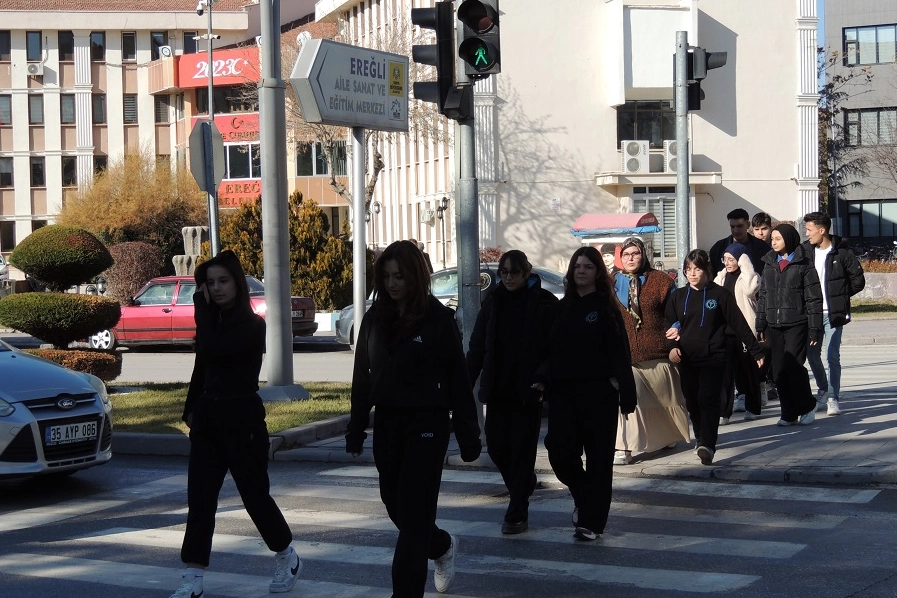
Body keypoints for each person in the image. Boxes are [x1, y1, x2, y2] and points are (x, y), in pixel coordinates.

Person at [346, 240, 482, 597]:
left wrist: (469, 435)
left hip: (427, 425)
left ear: (415, 277)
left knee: (414, 515)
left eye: (400, 277)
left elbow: (458, 380)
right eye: (387, 276)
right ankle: (441, 545)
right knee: (397, 507)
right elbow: (363, 377)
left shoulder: (438, 320)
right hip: (388, 424)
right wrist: (356, 427)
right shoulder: (374, 319)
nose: (392, 284)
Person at [171, 250, 301, 598]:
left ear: (237, 284)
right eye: (210, 283)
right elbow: (202, 368)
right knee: (201, 501)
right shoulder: (211, 323)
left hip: (243, 421)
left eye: (223, 281)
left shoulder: (252, 325)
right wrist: (191, 411)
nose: (216, 288)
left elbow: (215, 351)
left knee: (255, 498)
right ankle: (193, 577)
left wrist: (200, 310)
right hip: (208, 420)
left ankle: (286, 554)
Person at [536, 246, 637, 541]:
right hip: (564, 393)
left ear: (597, 273)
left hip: (599, 394)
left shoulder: (607, 309)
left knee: (599, 461)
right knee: (559, 452)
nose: (581, 271)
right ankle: (583, 496)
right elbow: (550, 352)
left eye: (588, 267)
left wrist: (627, 393)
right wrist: (541, 378)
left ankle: (592, 522)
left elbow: (620, 353)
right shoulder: (561, 308)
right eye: (577, 266)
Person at [467, 249, 558, 534]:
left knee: (521, 451)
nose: (508, 278)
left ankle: (517, 510)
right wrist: (465, 382)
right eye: (503, 272)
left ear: (526, 273)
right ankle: (524, 484)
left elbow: (557, 347)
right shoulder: (493, 302)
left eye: (514, 272)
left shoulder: (544, 302)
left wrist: (543, 377)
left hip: (528, 390)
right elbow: (477, 346)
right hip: (498, 389)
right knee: (496, 447)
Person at [666, 249, 764, 466]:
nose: (692, 274)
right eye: (688, 269)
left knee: (708, 399)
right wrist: (672, 347)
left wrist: (755, 350)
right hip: (687, 358)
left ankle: (708, 446)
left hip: (714, 356)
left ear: (706, 270)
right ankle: (700, 437)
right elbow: (669, 325)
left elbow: (738, 323)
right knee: (692, 400)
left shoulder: (720, 294)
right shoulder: (678, 297)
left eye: (697, 269)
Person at [611, 237, 690, 465]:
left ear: (644, 254)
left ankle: (666, 436)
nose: (631, 258)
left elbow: (676, 312)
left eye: (635, 253)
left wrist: (677, 328)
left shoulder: (661, 281)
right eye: (626, 254)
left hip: (657, 353)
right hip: (626, 355)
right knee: (629, 400)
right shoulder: (613, 282)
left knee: (661, 403)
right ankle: (623, 447)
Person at [756, 223, 822, 427]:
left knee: (793, 366)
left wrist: (814, 328)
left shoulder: (803, 263)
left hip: (797, 323)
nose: (773, 242)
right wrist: (760, 323)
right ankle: (788, 413)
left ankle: (808, 405)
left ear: (789, 239)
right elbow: (763, 295)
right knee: (778, 371)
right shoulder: (769, 263)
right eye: (772, 239)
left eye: (778, 239)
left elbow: (814, 298)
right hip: (774, 325)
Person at [802, 211, 865, 416]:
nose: (807, 233)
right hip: (812, 314)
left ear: (822, 230)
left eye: (809, 229)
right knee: (812, 355)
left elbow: (858, 280)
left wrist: (840, 297)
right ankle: (823, 388)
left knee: (832, 356)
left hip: (834, 314)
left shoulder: (842, 253)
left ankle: (832, 397)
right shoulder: (805, 251)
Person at [712, 243, 763, 423]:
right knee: (725, 373)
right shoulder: (721, 278)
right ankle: (724, 412)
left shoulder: (749, 277)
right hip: (724, 331)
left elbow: (750, 290)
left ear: (741, 260)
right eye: (724, 259)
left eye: (731, 259)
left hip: (744, 329)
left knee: (748, 371)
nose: (727, 263)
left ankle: (752, 407)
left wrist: (746, 265)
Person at [709, 208, 772, 277]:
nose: (736, 230)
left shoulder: (763, 248)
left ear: (748, 225)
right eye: (732, 227)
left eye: (740, 226)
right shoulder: (718, 249)